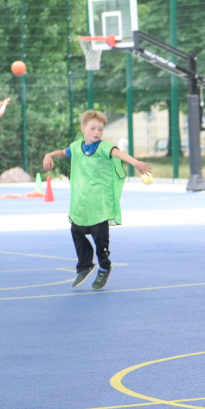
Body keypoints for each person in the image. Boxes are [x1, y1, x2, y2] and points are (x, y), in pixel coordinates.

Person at [42, 110, 151, 290]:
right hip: (82, 204)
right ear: (83, 128)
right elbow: (62, 153)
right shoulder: (76, 147)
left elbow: (119, 154)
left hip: (101, 204)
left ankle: (104, 266)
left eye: (100, 129)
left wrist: (135, 163)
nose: (97, 132)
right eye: (93, 128)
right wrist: (49, 155)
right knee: (77, 231)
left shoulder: (104, 147)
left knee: (100, 238)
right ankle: (85, 265)